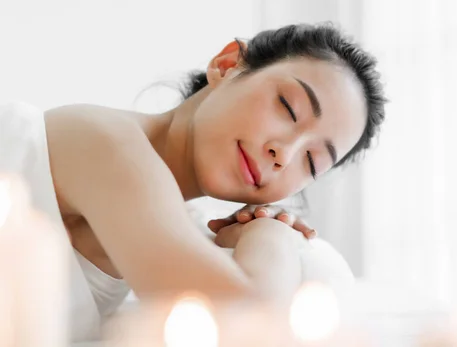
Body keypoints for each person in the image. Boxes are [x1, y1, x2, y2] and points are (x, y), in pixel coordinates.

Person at [0, 22, 385, 340]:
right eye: (288, 108)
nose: (283, 154)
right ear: (227, 63)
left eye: (311, 162)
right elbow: (244, 329)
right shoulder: (105, 141)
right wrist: (273, 237)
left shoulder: (188, 229)